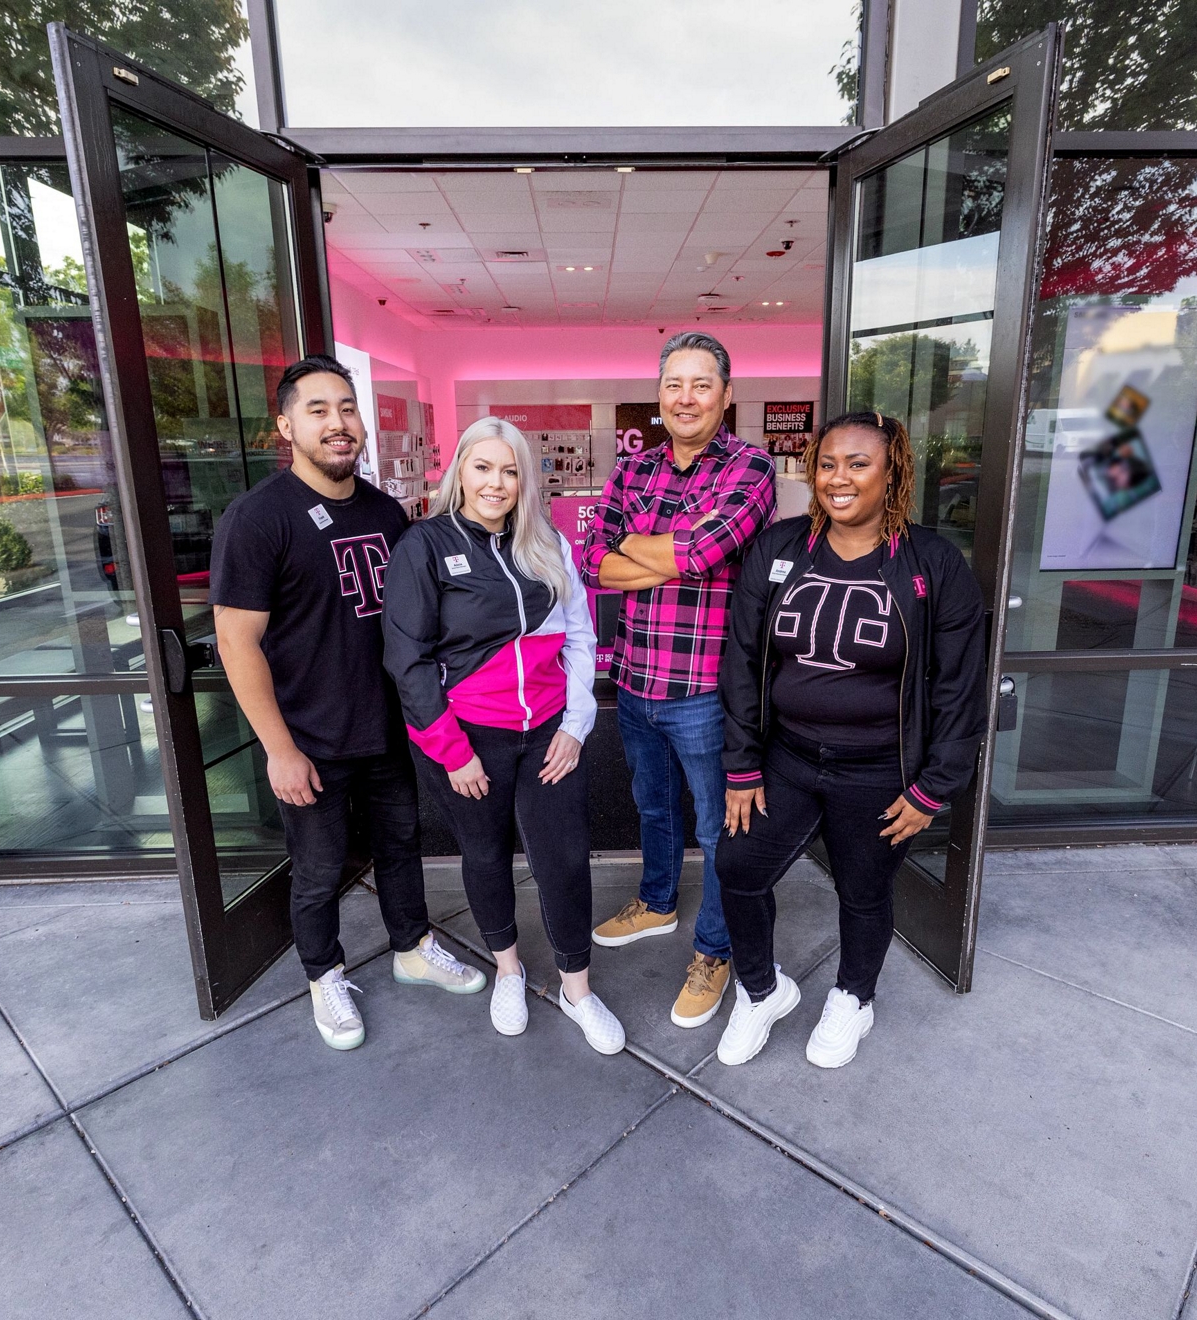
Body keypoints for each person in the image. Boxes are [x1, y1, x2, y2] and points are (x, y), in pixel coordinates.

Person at [210, 354, 485, 1053]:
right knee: (320, 869)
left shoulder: (385, 511)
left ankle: (411, 946)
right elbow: (237, 644)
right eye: (318, 410)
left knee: (400, 848)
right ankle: (322, 973)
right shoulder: (256, 519)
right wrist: (279, 749)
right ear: (286, 425)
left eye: (347, 408)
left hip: (390, 729)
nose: (338, 424)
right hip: (311, 739)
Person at [714, 411, 986, 1069]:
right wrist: (743, 765)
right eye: (827, 463)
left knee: (864, 892)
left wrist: (930, 787)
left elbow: (959, 687)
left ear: (892, 472)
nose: (838, 478)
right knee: (738, 869)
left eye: (858, 463)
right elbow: (743, 658)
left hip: (880, 773)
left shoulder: (933, 564)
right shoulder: (780, 549)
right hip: (787, 758)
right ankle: (759, 990)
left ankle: (852, 997)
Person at [382, 417, 624, 1055]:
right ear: (459, 469)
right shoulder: (425, 546)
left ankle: (577, 990)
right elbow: (407, 662)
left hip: (547, 734)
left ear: (526, 481)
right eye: (483, 467)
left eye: (510, 470)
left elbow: (579, 638)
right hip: (469, 739)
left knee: (565, 860)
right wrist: (453, 751)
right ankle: (509, 972)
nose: (496, 482)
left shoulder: (548, 545)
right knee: (485, 855)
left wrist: (575, 727)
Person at [580, 331, 775, 1029]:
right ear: (659, 396)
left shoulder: (750, 466)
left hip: (704, 689)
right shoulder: (633, 469)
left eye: (700, 384)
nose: (685, 397)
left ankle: (715, 950)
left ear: (726, 395)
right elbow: (590, 559)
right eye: (673, 385)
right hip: (635, 680)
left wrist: (642, 549)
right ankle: (658, 902)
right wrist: (671, 553)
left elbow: (711, 546)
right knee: (654, 809)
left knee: (721, 829)